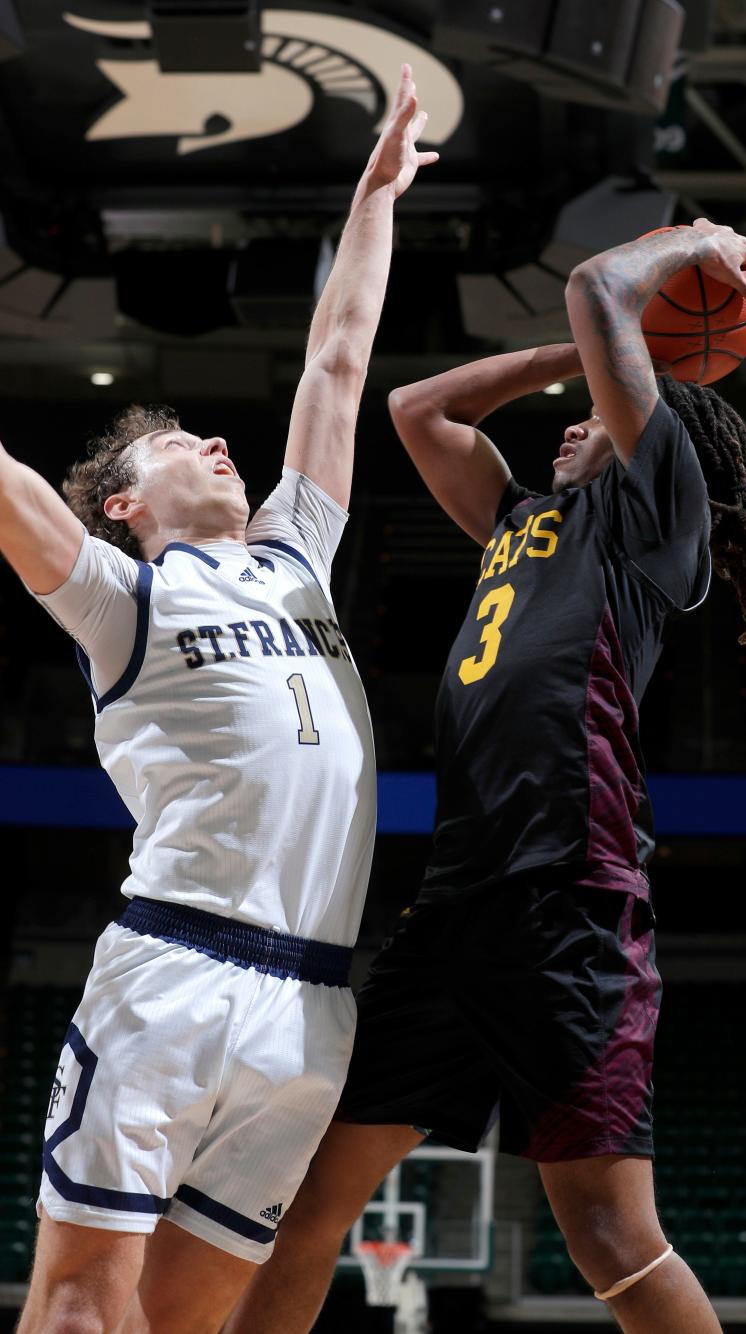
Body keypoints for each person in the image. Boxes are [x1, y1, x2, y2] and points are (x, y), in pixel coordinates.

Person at [225, 221, 746, 1334]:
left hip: (572, 898)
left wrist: (690, 246)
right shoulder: (520, 521)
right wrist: (577, 354)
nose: (574, 417)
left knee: (610, 1235)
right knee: (308, 1198)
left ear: (653, 431)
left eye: (599, 410)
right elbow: (421, 409)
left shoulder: (656, 523)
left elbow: (596, 284)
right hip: (455, 905)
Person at [0, 66, 437, 1334]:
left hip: (311, 1002)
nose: (219, 442)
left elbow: (339, 360)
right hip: (174, 971)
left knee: (190, 1325)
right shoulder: (116, 597)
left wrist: (374, 202)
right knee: (84, 1305)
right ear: (123, 506)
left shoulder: (298, 552)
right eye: (182, 441)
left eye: (217, 437)